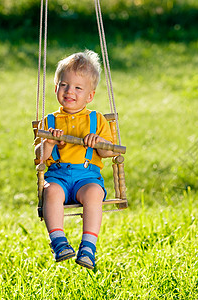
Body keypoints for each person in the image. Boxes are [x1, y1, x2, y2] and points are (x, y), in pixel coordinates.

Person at [35, 50, 116, 269]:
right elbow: (39, 158)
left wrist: (97, 141)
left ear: (90, 95)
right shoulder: (50, 121)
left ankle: (88, 246)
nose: (70, 91)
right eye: (64, 85)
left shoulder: (96, 120)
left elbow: (110, 153)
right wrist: (49, 142)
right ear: (55, 88)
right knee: (50, 191)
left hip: (86, 177)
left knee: (95, 193)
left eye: (78, 88)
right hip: (58, 176)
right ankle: (59, 242)